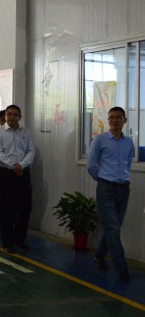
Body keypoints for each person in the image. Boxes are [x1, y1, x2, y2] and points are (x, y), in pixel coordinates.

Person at [87, 106, 133, 282]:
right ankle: (122, 268)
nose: (114, 120)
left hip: (124, 189)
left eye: (118, 117)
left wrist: (122, 178)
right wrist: (103, 180)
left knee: (113, 228)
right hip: (106, 188)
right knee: (113, 229)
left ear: (124, 120)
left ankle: (99, 256)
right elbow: (91, 165)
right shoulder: (100, 141)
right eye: (111, 118)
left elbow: (128, 163)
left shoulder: (129, 143)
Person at [0, 105, 36, 253]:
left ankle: (19, 239)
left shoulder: (26, 132)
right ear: (5, 116)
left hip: (23, 173)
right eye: (9, 114)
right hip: (6, 174)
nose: (12, 117)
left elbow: (31, 151)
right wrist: (13, 166)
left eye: (15, 115)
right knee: (7, 209)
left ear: (19, 117)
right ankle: (7, 241)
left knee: (25, 208)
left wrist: (21, 165)